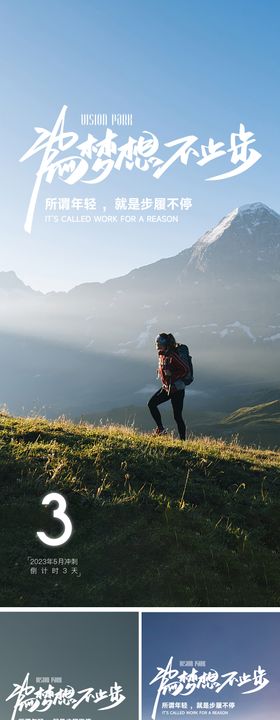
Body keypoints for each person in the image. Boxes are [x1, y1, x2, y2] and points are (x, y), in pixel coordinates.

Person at [148, 332, 189, 440]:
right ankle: (161, 429)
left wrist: (173, 376)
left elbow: (185, 369)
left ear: (164, 343)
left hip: (177, 389)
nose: (157, 345)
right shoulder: (162, 354)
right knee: (151, 404)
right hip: (167, 387)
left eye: (158, 343)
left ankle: (183, 441)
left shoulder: (172, 355)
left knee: (177, 416)